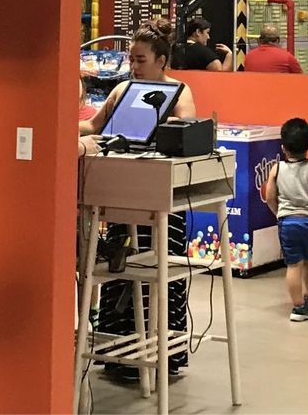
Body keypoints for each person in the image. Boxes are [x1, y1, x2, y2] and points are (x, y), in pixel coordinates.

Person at [81, 26, 195, 380]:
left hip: (159, 195)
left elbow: (187, 128)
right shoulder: (120, 90)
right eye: (130, 59)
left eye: (140, 60)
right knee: (122, 269)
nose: (133, 66)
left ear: (161, 60)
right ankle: (119, 354)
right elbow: (94, 126)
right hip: (122, 191)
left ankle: (165, 354)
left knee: (160, 275)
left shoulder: (180, 92)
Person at [262, 117, 308, 322]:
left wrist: (279, 213)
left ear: (283, 147)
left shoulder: (277, 168)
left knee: (293, 265)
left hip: (287, 222)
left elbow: (269, 197)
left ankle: (298, 307)